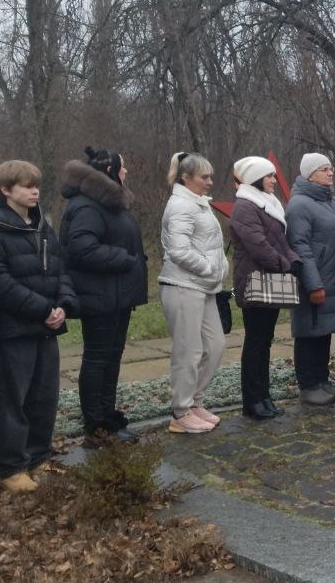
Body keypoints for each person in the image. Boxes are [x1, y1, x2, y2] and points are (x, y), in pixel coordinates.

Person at [0, 161, 75, 491]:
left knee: (44, 397)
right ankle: (12, 467)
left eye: (36, 186)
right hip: (11, 329)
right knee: (12, 398)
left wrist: (62, 305)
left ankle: (38, 458)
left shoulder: (44, 225)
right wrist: (43, 309)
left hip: (45, 326)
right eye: (26, 186)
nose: (34, 191)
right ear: (5, 190)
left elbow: (61, 269)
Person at [59, 147, 148, 444]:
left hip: (117, 297)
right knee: (98, 360)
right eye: (122, 168)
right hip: (99, 298)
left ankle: (108, 418)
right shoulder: (86, 206)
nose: (126, 172)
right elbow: (81, 249)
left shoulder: (108, 204)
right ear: (109, 171)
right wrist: (124, 258)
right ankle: (95, 426)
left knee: (112, 358)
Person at [158, 152, 227, 434]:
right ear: (186, 178)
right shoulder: (180, 206)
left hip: (204, 287)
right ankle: (181, 411)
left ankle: (195, 402)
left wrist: (216, 269)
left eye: (210, 176)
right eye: (204, 177)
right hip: (182, 287)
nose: (209, 182)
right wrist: (211, 268)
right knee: (188, 351)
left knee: (216, 345)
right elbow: (178, 250)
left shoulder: (198, 204)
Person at [229, 156, 301, 421]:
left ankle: (264, 396)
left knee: (264, 342)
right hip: (254, 281)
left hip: (269, 279)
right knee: (255, 343)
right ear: (255, 179)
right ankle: (252, 400)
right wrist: (285, 264)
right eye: (269, 176)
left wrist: (294, 260)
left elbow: (279, 241)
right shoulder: (246, 207)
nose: (274, 180)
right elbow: (257, 245)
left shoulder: (268, 204)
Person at [286, 153, 335, 406]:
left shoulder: (332, 200)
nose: (330, 172)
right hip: (315, 279)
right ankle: (308, 385)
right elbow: (300, 246)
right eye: (324, 169)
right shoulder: (299, 205)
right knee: (308, 332)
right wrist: (313, 283)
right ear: (310, 174)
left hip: (334, 276)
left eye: (331, 168)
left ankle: (323, 381)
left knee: (324, 332)